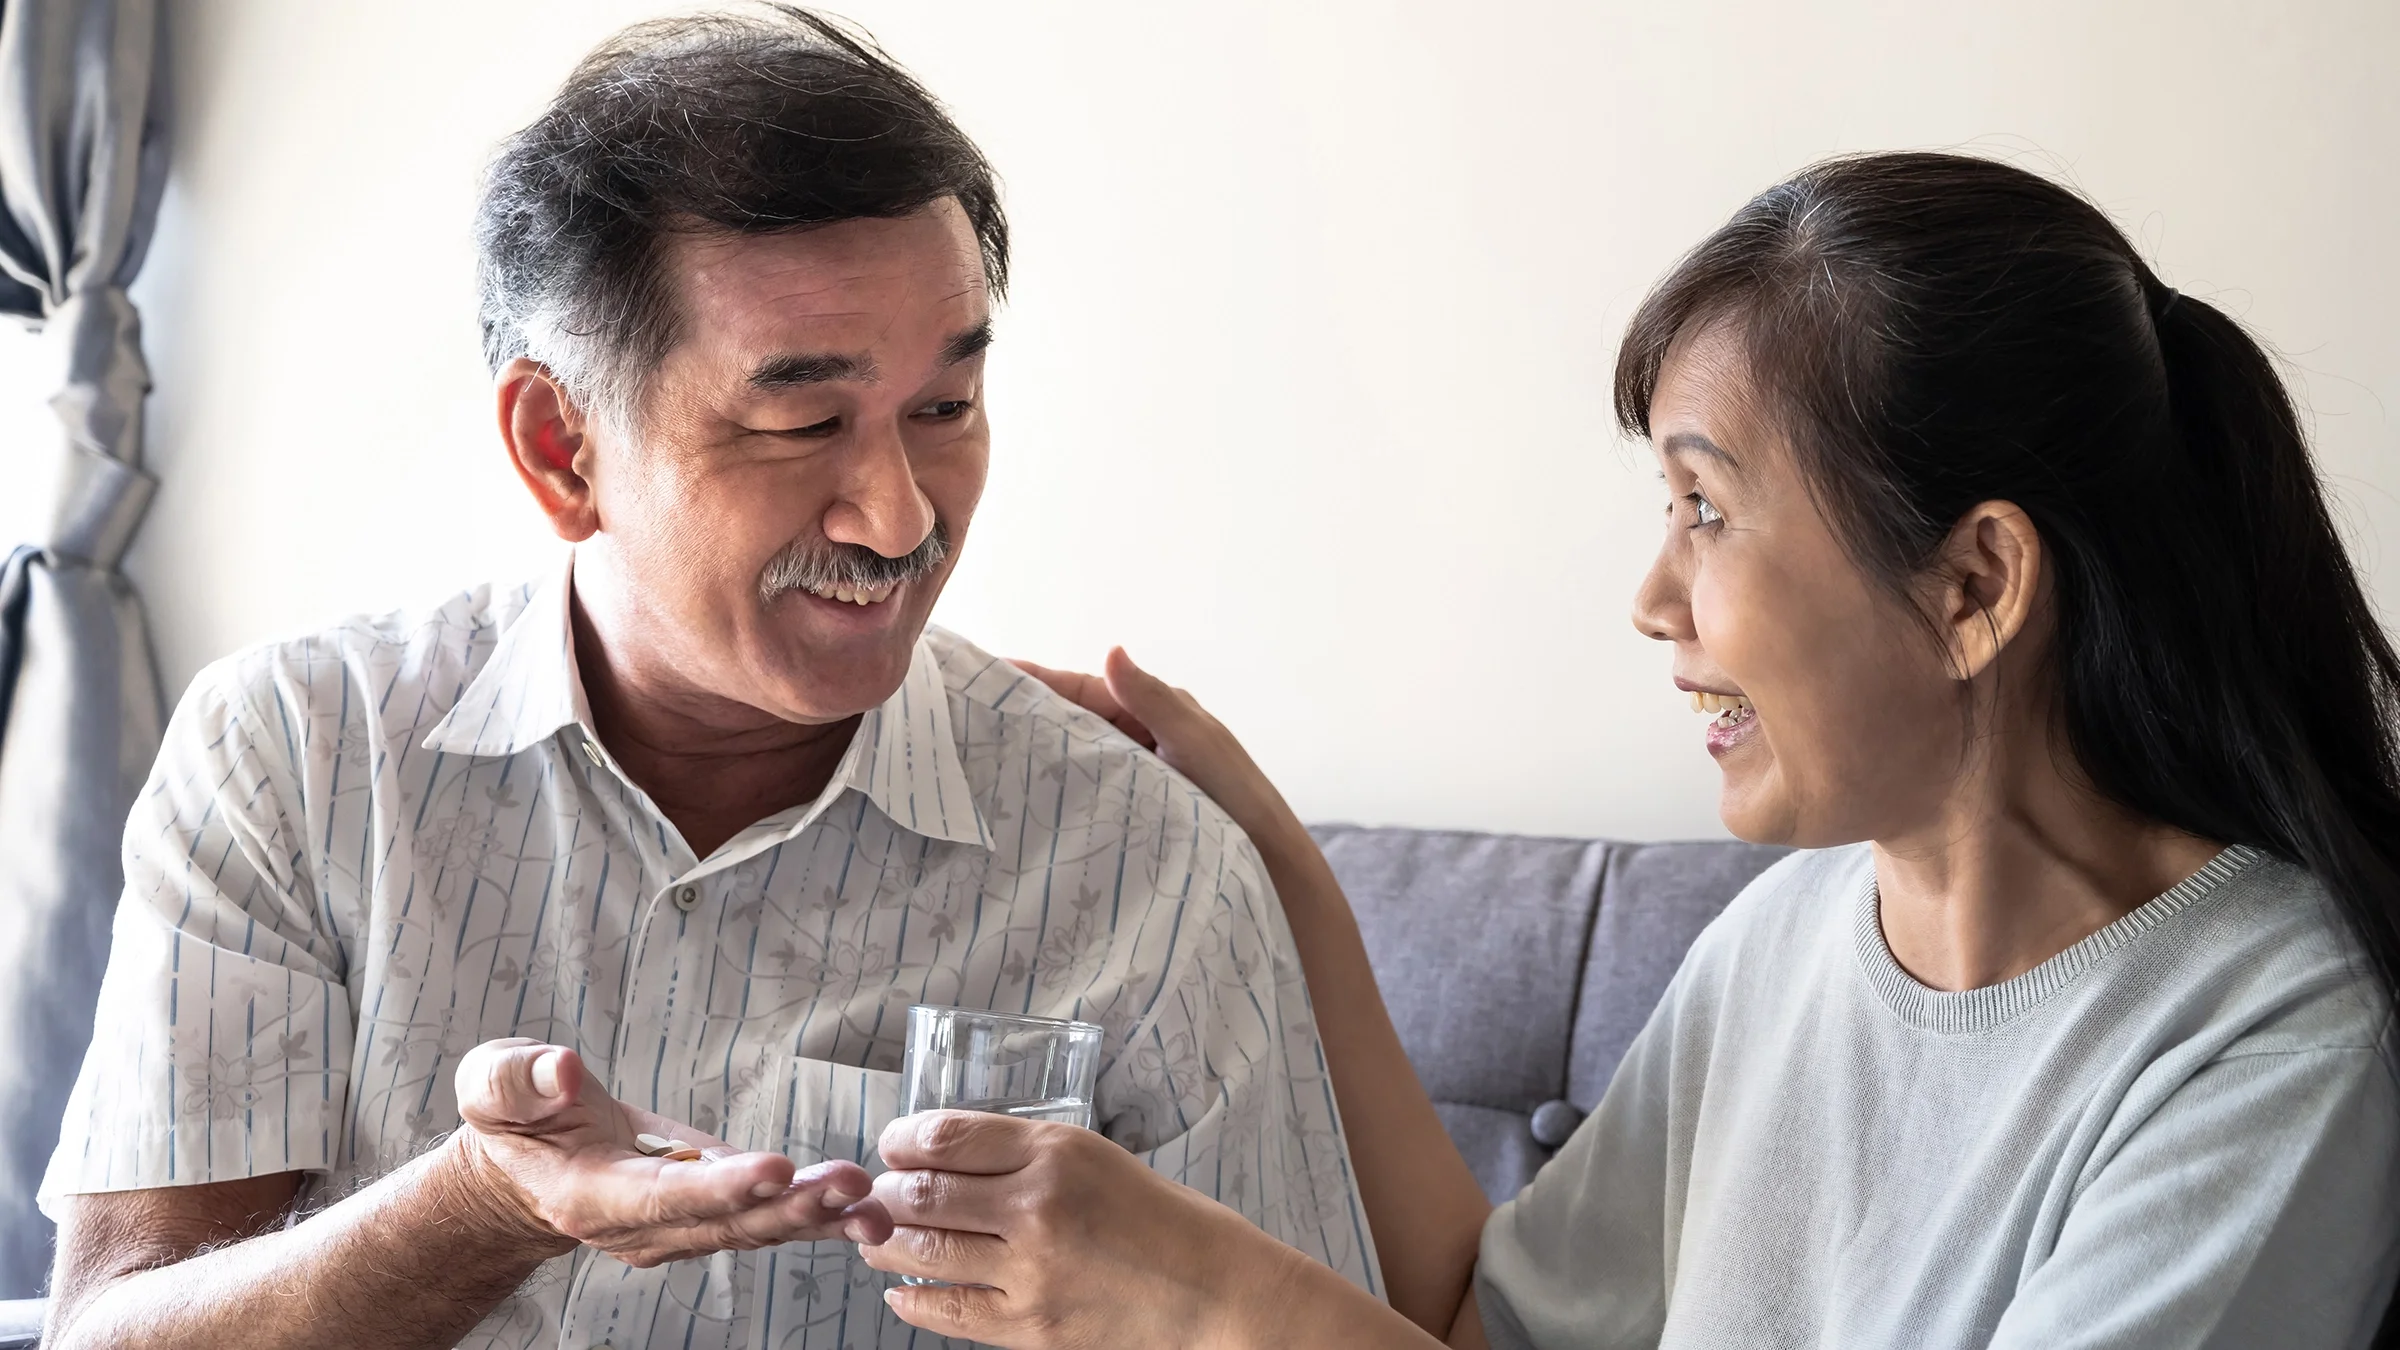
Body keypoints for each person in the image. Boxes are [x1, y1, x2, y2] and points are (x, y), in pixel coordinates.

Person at [855, 151, 2400, 1348]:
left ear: (1975, 583)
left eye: (1707, 508)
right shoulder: (1790, 936)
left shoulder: (2272, 1032)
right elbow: (1490, 1315)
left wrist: (1198, 1290)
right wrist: (1277, 867)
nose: (1655, 596)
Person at [36, 9, 1377, 1349]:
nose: (901, 517)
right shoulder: (291, 757)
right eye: (802, 422)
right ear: (561, 447)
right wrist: (481, 1206)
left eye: (947, 407)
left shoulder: (1147, 866)